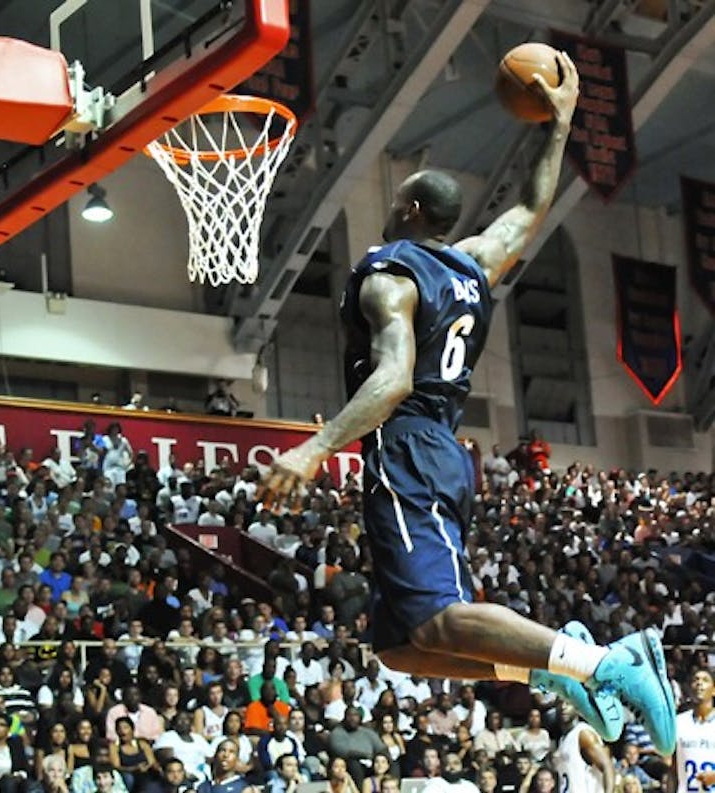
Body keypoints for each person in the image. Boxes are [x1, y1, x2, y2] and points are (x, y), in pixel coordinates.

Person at [259, 52, 675, 757]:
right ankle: (556, 672)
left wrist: (313, 446)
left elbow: (392, 380)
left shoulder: (389, 275)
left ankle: (609, 664)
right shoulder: (474, 261)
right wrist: (562, 122)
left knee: (441, 618)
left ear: (409, 210)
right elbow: (531, 206)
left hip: (410, 443)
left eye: (397, 203)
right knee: (404, 646)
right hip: (448, 451)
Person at [553, 700, 614, 793]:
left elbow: (607, 766)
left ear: (577, 709)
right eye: (559, 703)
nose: (563, 707)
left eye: (568, 703)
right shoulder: (563, 739)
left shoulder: (583, 733)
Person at [671, 668, 715, 792]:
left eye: (705, 680)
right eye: (696, 680)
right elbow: (673, 769)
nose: (699, 683)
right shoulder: (678, 722)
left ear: (714, 690)